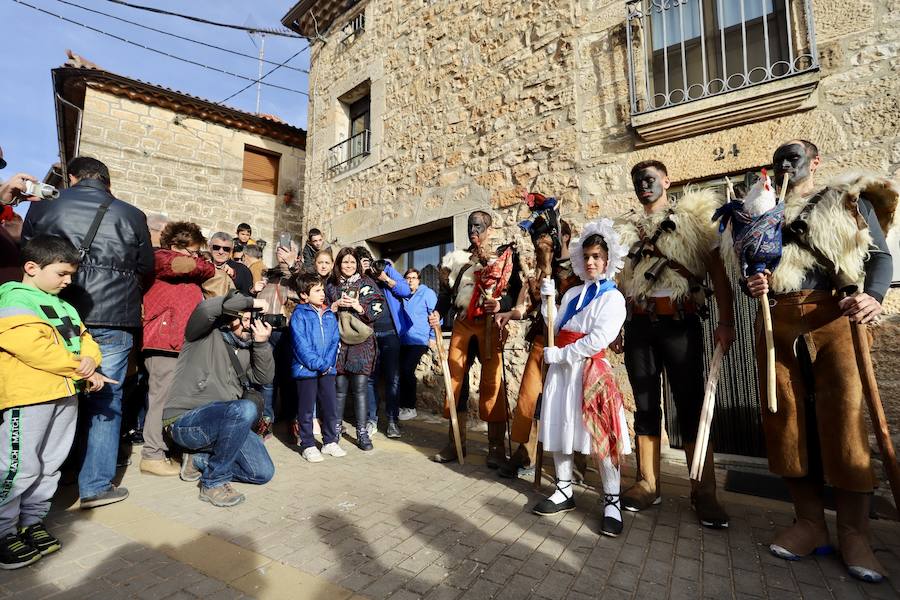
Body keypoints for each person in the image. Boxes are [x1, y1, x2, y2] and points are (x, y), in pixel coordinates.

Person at [743, 140, 895, 583]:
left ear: (816, 161)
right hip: (779, 323)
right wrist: (753, 282)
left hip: (835, 316)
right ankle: (809, 523)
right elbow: (752, 268)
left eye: (794, 156)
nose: (786, 164)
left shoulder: (847, 201)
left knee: (845, 419)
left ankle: (854, 533)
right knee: (784, 418)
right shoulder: (762, 212)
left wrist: (874, 296)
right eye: (779, 159)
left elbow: (880, 257)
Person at [22, 156, 154, 509]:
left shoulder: (45, 207)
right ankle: (95, 485)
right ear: (107, 181)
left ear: (73, 177)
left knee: (54, 394)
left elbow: (28, 252)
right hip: (114, 316)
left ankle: (44, 483)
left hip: (56, 313)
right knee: (106, 400)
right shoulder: (131, 214)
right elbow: (146, 268)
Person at [614, 159, 735, 529]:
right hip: (638, 325)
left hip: (680, 323)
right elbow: (619, 283)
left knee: (690, 405)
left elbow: (717, 272)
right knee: (646, 404)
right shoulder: (626, 231)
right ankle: (648, 482)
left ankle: (704, 491)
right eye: (637, 181)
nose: (643, 185)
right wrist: (617, 325)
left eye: (649, 179)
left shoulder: (694, 221)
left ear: (667, 180)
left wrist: (727, 322)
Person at [0, 235, 112, 568]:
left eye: (71, 275)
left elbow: (85, 339)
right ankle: (4, 531)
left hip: (65, 395)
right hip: (29, 398)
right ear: (31, 267)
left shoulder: (64, 305)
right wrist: (80, 365)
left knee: (50, 465)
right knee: (19, 466)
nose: (67, 281)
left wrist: (90, 361)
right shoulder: (12, 300)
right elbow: (32, 348)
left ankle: (31, 522)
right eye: (62, 273)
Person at [531, 220, 630, 538]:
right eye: (587, 256)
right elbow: (556, 326)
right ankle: (563, 489)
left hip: (589, 370)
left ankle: (612, 501)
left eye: (597, 256)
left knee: (603, 435)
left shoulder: (613, 298)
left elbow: (599, 338)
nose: (590, 262)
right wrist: (548, 302)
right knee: (560, 426)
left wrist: (560, 355)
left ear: (608, 259)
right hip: (563, 374)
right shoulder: (572, 292)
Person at [161, 292, 275, 507]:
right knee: (245, 409)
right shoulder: (203, 335)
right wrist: (253, 301)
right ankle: (213, 482)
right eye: (248, 319)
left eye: (255, 321)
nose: (251, 326)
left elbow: (264, 377)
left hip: (227, 422)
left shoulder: (248, 350)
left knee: (262, 472)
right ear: (232, 318)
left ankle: (199, 460)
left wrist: (261, 345)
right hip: (186, 422)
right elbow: (205, 309)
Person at [428, 210, 522, 467]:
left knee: (493, 383)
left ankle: (495, 447)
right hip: (462, 324)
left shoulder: (503, 257)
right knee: (455, 381)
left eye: (479, 226)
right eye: (471, 226)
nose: (474, 231)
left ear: (490, 229)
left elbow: (515, 292)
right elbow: (446, 295)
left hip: (490, 325)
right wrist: (438, 311)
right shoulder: (455, 258)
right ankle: (455, 442)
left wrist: (501, 303)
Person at [497, 210, 582, 480]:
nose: (539, 244)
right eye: (537, 240)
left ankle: (577, 461)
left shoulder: (581, 269)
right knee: (529, 399)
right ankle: (526, 454)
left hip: (570, 345)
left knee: (572, 402)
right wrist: (511, 313)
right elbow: (527, 306)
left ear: (563, 237)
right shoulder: (537, 273)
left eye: (545, 237)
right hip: (540, 342)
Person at [139, 222, 215, 476]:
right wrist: (204, 263)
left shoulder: (180, 264)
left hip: (179, 342)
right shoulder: (161, 258)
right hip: (164, 341)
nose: (195, 257)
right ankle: (152, 455)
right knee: (160, 398)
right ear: (175, 246)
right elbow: (198, 267)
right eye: (191, 251)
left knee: (176, 400)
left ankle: (168, 449)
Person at [325, 248, 384, 451]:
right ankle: (336, 429)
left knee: (360, 388)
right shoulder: (332, 285)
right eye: (344, 262)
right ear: (339, 264)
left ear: (357, 264)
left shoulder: (367, 283)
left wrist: (359, 307)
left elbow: (378, 309)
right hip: (339, 342)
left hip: (362, 342)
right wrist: (334, 306)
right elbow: (322, 308)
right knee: (339, 388)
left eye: (352, 262)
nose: (348, 266)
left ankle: (362, 432)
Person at [356, 246, 412, 439]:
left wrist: (385, 279)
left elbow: (406, 290)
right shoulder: (357, 279)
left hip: (389, 333)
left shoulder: (385, 268)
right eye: (361, 262)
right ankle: (372, 419)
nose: (366, 265)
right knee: (370, 378)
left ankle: (392, 420)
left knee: (393, 378)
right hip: (369, 335)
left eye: (367, 260)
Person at [290, 273, 343, 462]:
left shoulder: (328, 314)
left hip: (327, 369)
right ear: (304, 295)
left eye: (322, 290)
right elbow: (300, 344)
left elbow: (335, 340)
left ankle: (330, 441)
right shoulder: (299, 314)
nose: (322, 294)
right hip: (306, 370)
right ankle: (308, 445)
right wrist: (319, 364)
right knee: (306, 410)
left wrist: (327, 364)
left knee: (330, 406)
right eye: (317, 290)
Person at [398, 268, 437, 421]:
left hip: (419, 340)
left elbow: (435, 316)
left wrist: (432, 337)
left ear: (419, 280)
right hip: (403, 340)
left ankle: (410, 407)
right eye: (407, 278)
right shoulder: (403, 296)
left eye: (413, 278)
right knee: (400, 372)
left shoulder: (427, 293)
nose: (410, 280)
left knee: (407, 370)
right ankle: (402, 406)